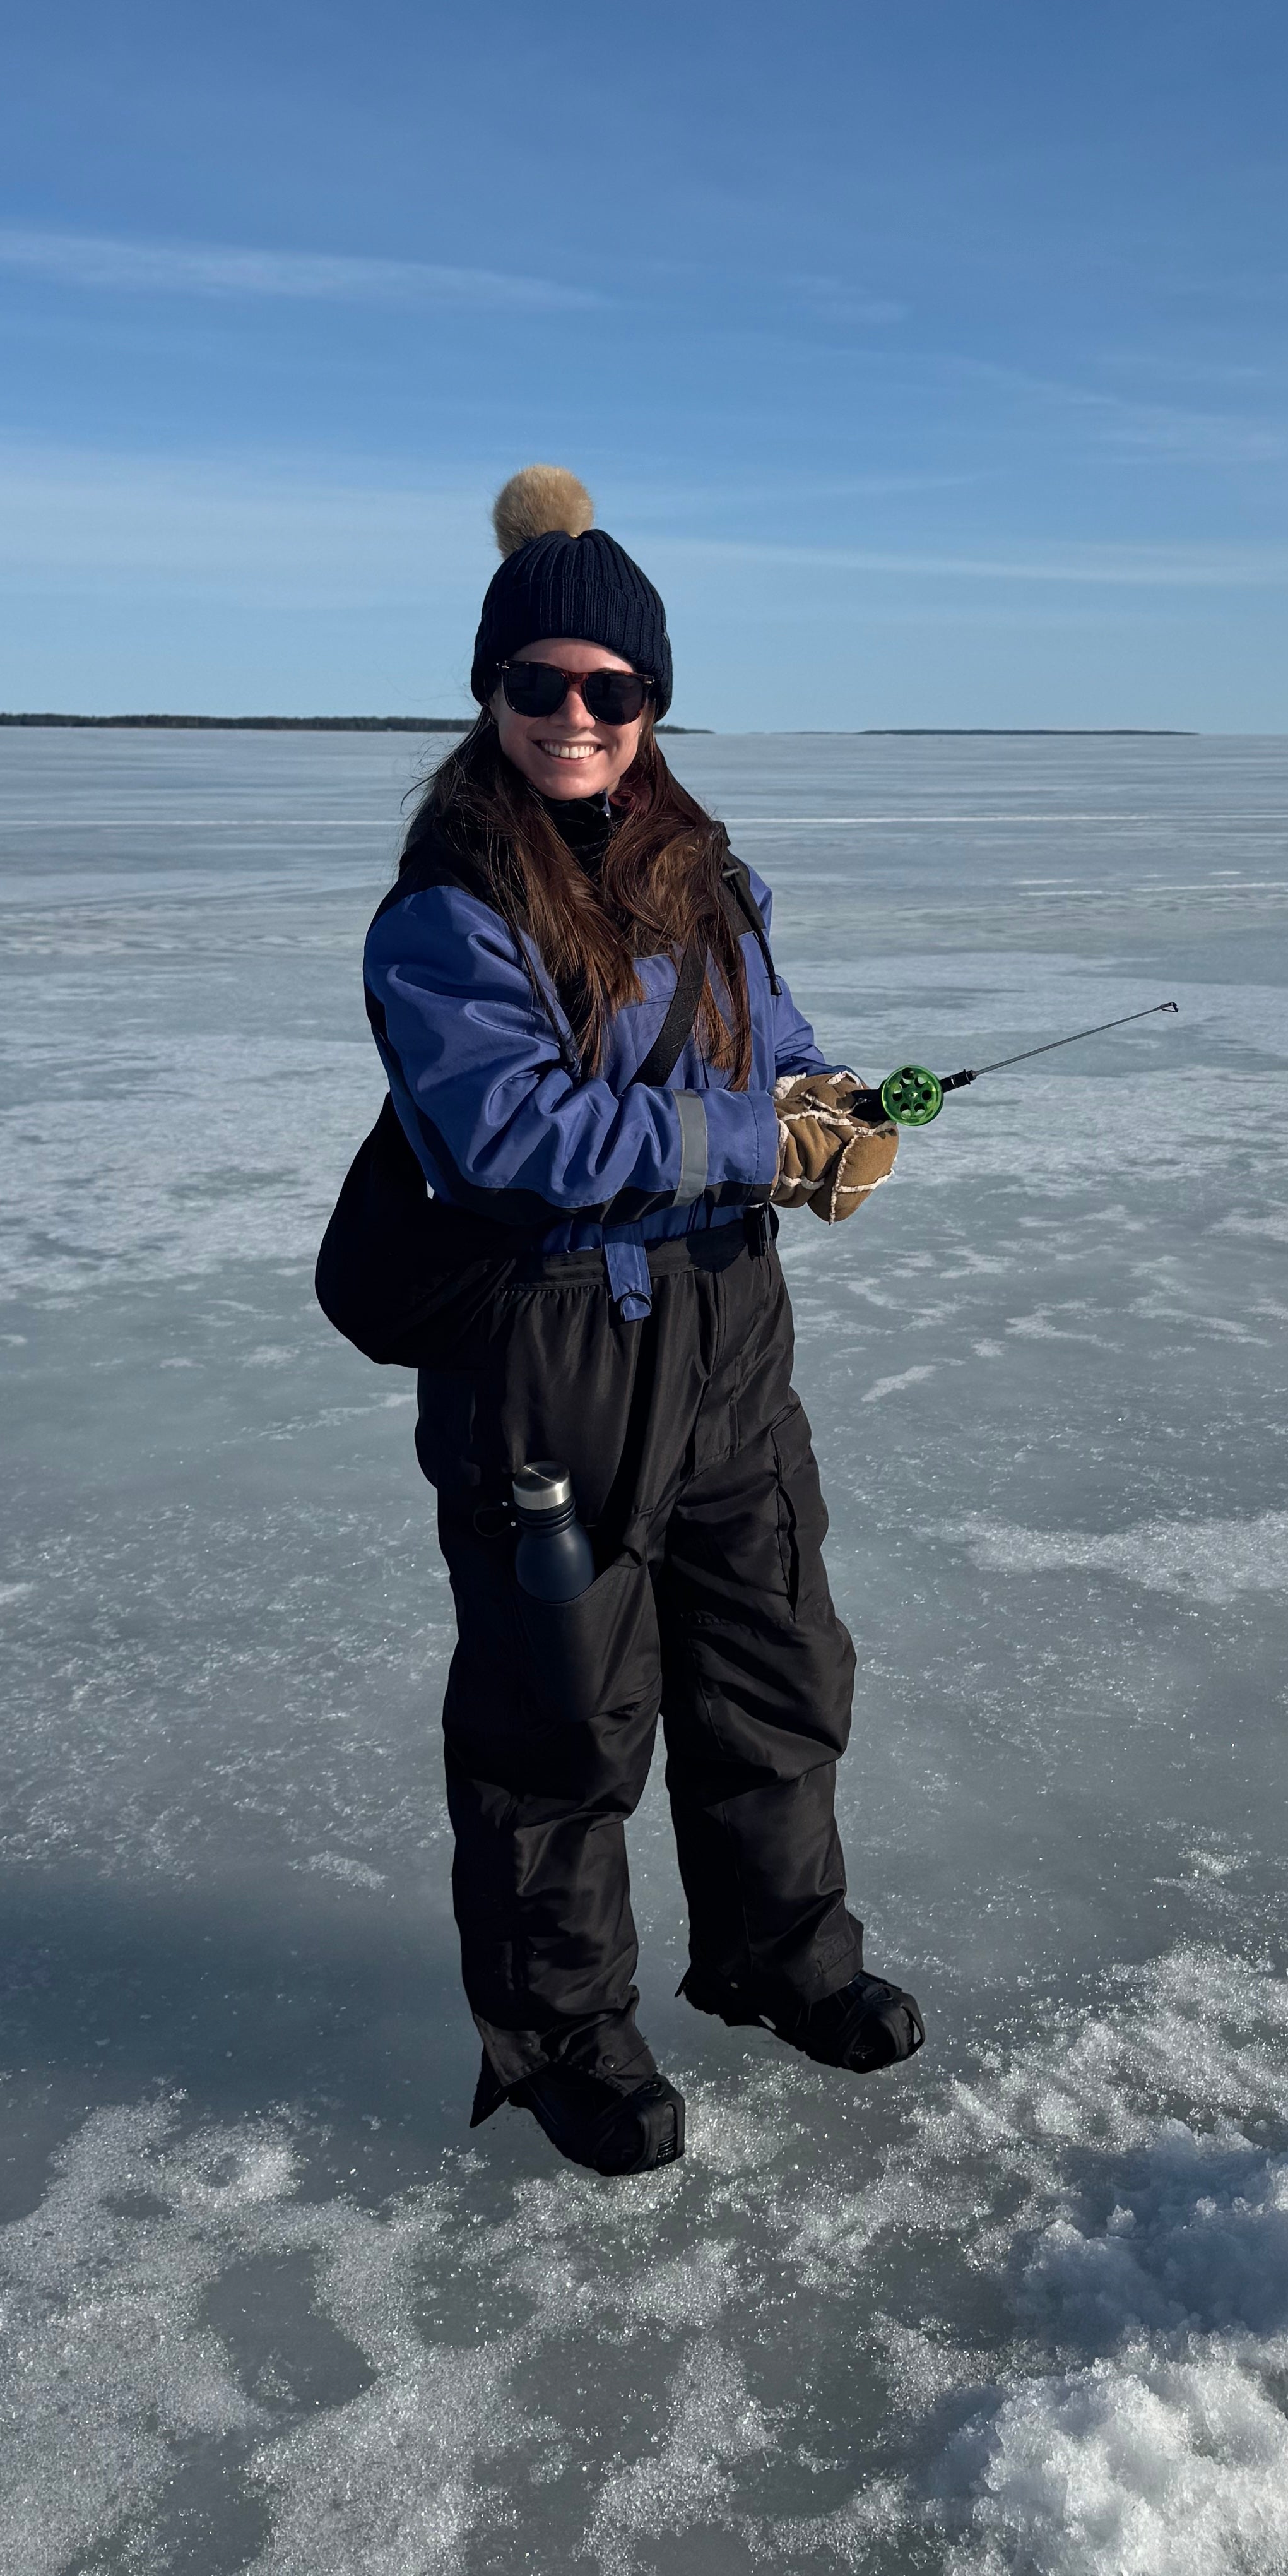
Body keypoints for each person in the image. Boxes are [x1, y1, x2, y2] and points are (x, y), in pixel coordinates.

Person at [350, 466, 923, 2179]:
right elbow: (509, 1139)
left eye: (612, 690)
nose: (576, 717)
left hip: (729, 1341)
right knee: (559, 1725)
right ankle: (562, 2041)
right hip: (551, 1363)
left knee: (774, 1676)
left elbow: (779, 1048)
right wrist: (755, 1138)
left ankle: (776, 1956)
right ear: (491, 692)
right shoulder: (448, 905)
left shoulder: (709, 875)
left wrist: (834, 1120)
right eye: (541, 685)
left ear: (653, 703)